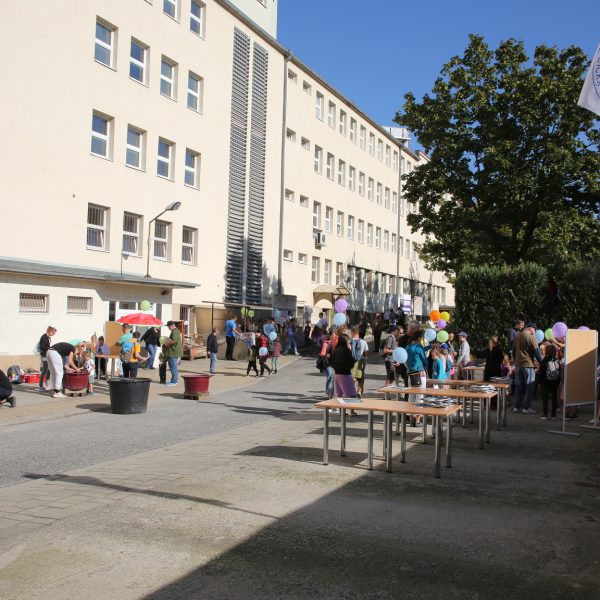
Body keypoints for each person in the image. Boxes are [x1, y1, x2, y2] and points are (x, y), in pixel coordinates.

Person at [513, 321, 543, 414]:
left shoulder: (517, 336)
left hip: (518, 365)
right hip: (528, 365)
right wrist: (542, 363)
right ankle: (526, 408)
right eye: (535, 329)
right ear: (530, 328)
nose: (535, 331)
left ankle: (517, 407)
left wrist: (516, 361)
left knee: (519, 386)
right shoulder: (531, 337)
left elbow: (513, 351)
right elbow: (537, 352)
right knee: (529, 387)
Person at [331, 333, 357, 399]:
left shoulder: (336, 350)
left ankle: (337, 406)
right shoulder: (346, 350)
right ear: (345, 341)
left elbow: (332, 361)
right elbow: (351, 362)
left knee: (339, 395)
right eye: (348, 340)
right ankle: (351, 406)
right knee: (352, 395)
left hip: (337, 374)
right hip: (346, 374)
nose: (349, 341)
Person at [539, 343, 560, 420]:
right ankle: (553, 415)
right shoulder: (556, 360)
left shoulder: (545, 360)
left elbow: (541, 372)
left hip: (546, 381)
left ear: (547, 351)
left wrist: (540, 381)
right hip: (555, 381)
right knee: (554, 398)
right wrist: (558, 380)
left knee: (545, 398)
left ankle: (545, 414)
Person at [162, 321, 183, 385]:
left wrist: (166, 344)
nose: (168, 328)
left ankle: (174, 381)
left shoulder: (175, 331)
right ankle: (174, 380)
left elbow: (174, 341)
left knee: (173, 366)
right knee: (173, 366)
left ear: (171, 326)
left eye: (168, 326)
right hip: (174, 352)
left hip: (173, 352)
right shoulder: (175, 331)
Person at [350, 327, 368, 397]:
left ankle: (351, 391)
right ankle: (359, 391)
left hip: (352, 361)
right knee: (361, 378)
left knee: (352, 377)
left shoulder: (350, 342)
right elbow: (366, 353)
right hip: (361, 361)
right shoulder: (363, 342)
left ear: (353, 333)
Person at [38, 326, 57, 392]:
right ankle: (41, 386)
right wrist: (49, 348)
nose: (53, 335)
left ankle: (47, 385)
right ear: (50, 331)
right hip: (44, 355)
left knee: (48, 370)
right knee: (45, 370)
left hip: (47, 355)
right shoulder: (44, 337)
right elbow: (42, 347)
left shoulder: (47, 337)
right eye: (53, 333)